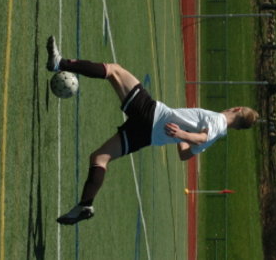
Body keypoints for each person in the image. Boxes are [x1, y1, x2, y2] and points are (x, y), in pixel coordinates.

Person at [46, 35, 259, 225]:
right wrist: (181, 136)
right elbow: (185, 155)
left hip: (152, 114)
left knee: (114, 70)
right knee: (100, 158)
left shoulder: (218, 121)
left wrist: (182, 134)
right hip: (148, 135)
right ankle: (85, 205)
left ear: (237, 109)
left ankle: (59, 63)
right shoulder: (218, 134)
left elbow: (201, 138)